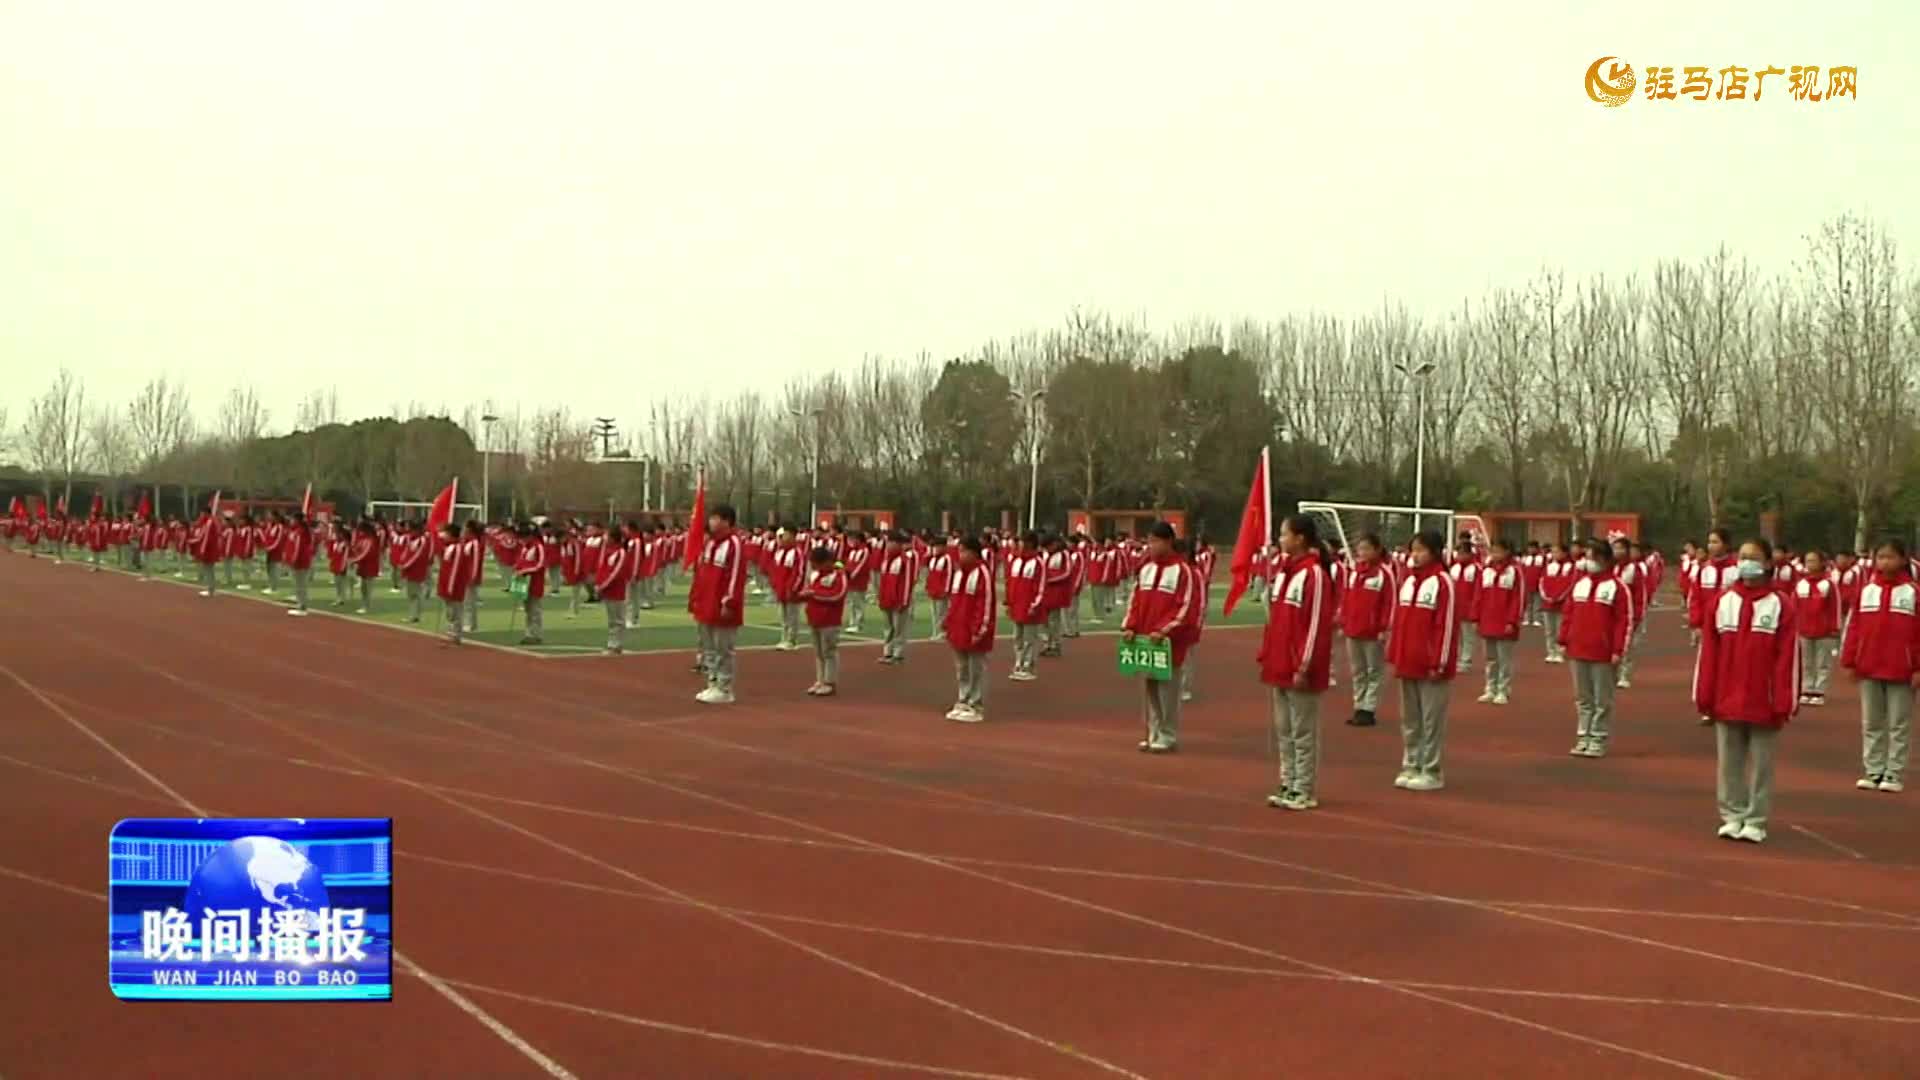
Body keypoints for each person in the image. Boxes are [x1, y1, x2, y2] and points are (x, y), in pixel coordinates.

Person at [1695, 538, 1800, 843]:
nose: (1746, 563)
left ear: (1769, 563)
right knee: (1729, 762)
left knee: (1762, 764)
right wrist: (1705, 694)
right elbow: (1709, 654)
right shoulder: (1721, 602)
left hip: (1764, 700)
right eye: (1742, 557)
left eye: (1753, 557)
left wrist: (1784, 700)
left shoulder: (1781, 605)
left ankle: (1756, 818)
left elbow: (1788, 657)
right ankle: (1732, 815)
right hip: (1726, 697)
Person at [1257, 515, 1336, 810]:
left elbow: (1316, 624)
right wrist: (1267, 653)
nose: (1280, 539)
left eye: (1284, 534)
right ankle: (1287, 781)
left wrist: (1304, 664)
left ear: (1301, 538)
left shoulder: (1314, 575)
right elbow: (1275, 620)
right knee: (1284, 730)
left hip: (1300, 668)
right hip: (1278, 664)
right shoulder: (1283, 573)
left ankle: (1304, 787)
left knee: (1303, 732)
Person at [1839, 539, 1920, 793]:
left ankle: (1893, 772)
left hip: (1902, 669)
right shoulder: (1866, 591)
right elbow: (1854, 627)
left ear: (1903, 560)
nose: (1885, 562)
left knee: (1898, 723)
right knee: (1872, 722)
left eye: (1890, 557)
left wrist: (1917, 667)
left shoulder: (1913, 592)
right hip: (1870, 666)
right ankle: (1873, 770)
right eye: (1880, 557)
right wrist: (1850, 660)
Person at [1386, 531, 1459, 791]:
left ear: (1435, 552)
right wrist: (1395, 652)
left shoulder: (1442, 582)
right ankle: (1411, 764)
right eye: (1412, 550)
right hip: (1408, 662)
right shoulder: (1408, 582)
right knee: (1410, 719)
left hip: (1431, 666)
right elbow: (1399, 621)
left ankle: (1431, 769)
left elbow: (1447, 625)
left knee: (1431, 720)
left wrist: (1439, 661)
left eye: (1421, 550)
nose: (1414, 556)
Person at [1121, 522, 1201, 754]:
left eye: (1155, 541)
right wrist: (1129, 626)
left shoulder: (1182, 571)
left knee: (1168, 689)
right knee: (1150, 686)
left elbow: (1185, 607)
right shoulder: (1146, 569)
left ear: (1168, 542)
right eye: (1149, 541)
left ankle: (1168, 734)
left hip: (1168, 642)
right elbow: (1135, 602)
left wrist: (1164, 630)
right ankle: (1153, 732)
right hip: (1145, 640)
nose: (1151, 546)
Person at [1559, 539, 1633, 758]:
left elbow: (1624, 621)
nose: (1587, 561)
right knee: (1583, 698)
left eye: (1591, 557)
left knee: (1602, 699)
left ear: (1603, 558)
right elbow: (1568, 613)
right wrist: (1563, 640)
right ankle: (1583, 736)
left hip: (1603, 652)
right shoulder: (1580, 584)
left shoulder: (1617, 587)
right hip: (1577, 649)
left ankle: (1598, 738)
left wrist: (1618, 650)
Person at [690, 503, 748, 704]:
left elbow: (735, 576)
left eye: (715, 518)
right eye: (711, 518)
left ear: (726, 521)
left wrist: (729, 601)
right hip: (706, 602)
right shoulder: (710, 543)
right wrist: (696, 597)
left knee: (724, 648)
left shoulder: (734, 543)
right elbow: (702, 572)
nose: (711, 522)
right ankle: (712, 683)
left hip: (723, 605)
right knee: (709, 648)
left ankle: (725, 687)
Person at [1338, 533, 1395, 727]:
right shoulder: (1354, 572)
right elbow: (1346, 599)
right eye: (1360, 549)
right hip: (1353, 630)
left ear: (1377, 549)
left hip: (1372, 633)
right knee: (1358, 671)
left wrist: (1385, 627)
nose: (1362, 552)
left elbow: (1390, 602)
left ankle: (1368, 708)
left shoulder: (1384, 573)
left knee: (1374, 671)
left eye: (1366, 548)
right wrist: (1344, 621)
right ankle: (1358, 706)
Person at [944, 535, 996, 723]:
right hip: (958, 628)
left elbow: (986, 604)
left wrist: (980, 630)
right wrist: (949, 623)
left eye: (963, 551)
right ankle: (963, 699)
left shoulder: (983, 573)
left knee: (976, 669)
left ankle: (976, 704)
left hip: (975, 631)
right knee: (962, 668)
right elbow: (954, 601)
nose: (960, 555)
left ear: (973, 552)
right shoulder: (959, 573)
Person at [1474, 538, 1525, 706]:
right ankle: (1490, 688)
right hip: (1487, 621)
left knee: (1504, 659)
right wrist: (1476, 617)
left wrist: (1512, 621)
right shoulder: (1486, 571)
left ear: (1507, 552)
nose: (1494, 554)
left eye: (1498, 551)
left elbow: (1519, 598)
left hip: (1505, 622)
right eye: (1492, 551)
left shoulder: (1515, 571)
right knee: (1490, 658)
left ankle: (1503, 689)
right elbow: (1478, 595)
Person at [1792, 549, 1843, 707]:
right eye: (1807, 561)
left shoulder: (1828, 584)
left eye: (1813, 560)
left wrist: (1835, 626)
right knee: (1806, 662)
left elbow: (1835, 606)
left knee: (1822, 662)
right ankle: (1807, 689)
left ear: (1822, 563)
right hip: (1804, 629)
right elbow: (1794, 607)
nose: (1810, 564)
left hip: (1824, 631)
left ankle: (1819, 690)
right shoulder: (1800, 585)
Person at [800, 545, 847, 696]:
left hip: (830, 620)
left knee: (829, 652)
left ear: (826, 562)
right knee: (819, 652)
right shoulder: (815, 575)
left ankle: (830, 682)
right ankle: (820, 680)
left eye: (815, 563)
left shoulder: (838, 576)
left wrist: (813, 594)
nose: (813, 566)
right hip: (814, 618)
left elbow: (836, 595)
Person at [1004, 532, 1046, 682]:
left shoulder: (1038, 562)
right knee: (1017, 638)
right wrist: (1008, 602)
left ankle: (1028, 666)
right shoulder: (1016, 561)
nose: (1020, 544)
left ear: (1030, 544)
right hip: (1017, 607)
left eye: (1023, 542)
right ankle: (1018, 663)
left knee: (1030, 639)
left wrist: (1034, 605)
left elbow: (1041, 587)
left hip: (1030, 608)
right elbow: (1011, 584)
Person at [593, 523, 635, 655]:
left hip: (617, 590)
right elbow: (602, 569)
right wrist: (598, 584)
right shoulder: (607, 551)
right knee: (612, 619)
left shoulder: (620, 552)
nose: (605, 537)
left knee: (617, 619)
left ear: (613, 537)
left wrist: (603, 585)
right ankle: (612, 643)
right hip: (607, 590)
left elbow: (616, 572)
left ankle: (615, 645)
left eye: (607, 535)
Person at [876, 530, 917, 665]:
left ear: (898, 544)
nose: (888, 545)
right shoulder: (886, 560)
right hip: (886, 600)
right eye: (887, 542)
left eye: (891, 542)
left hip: (899, 601)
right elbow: (882, 582)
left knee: (899, 628)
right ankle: (887, 653)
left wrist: (904, 601)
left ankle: (898, 655)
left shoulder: (905, 560)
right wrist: (880, 598)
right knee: (888, 628)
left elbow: (907, 582)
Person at [769, 527, 807, 651]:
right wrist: (774, 585)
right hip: (780, 590)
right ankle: (784, 638)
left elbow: (799, 573)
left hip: (792, 591)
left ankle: (792, 640)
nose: (783, 538)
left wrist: (793, 589)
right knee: (783, 616)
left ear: (793, 536)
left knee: (792, 616)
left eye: (786, 535)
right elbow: (775, 570)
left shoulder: (797, 552)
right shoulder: (779, 552)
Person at [511, 522, 549, 644]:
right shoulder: (525, 547)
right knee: (528, 609)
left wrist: (525, 570)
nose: (522, 538)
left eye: (524, 536)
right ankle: (529, 633)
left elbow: (540, 564)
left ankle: (536, 634)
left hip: (535, 582)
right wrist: (517, 568)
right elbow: (521, 561)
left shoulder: (539, 546)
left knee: (535, 609)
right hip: (523, 582)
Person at [1539, 541, 1577, 664]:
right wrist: (1545, 596)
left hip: (1562, 603)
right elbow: (1542, 581)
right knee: (1549, 630)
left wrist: (1560, 597)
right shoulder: (1549, 566)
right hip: (1547, 602)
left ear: (1564, 553)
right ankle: (1550, 652)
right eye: (1552, 552)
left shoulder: (1571, 566)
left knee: (1561, 628)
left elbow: (1571, 584)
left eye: (1557, 551)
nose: (1554, 554)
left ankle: (1560, 651)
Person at [434, 522, 470, 645]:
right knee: (449, 610)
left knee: (456, 609)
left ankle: (456, 634)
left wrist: (450, 586)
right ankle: (450, 630)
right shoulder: (448, 547)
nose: (444, 535)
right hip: (446, 583)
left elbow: (455, 568)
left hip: (455, 585)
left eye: (446, 533)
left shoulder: (458, 548)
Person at [1040, 533, 1072, 658]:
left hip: (1057, 592)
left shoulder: (1064, 554)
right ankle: (1047, 643)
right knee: (1044, 620)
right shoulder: (1045, 554)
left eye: (1049, 546)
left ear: (1055, 543)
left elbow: (1068, 572)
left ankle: (1056, 645)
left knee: (1054, 620)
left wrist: (1051, 579)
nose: (1048, 549)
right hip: (1046, 591)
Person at [281, 512, 316, 615]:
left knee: (301, 585)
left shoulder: (301, 532)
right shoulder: (295, 531)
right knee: (297, 584)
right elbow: (290, 545)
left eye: (292, 519)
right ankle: (300, 603)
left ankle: (303, 606)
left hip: (300, 561)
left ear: (297, 520)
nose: (291, 521)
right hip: (295, 560)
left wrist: (293, 559)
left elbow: (298, 547)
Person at [923, 535, 955, 640]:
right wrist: (928, 587)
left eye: (938, 546)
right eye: (934, 547)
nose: (935, 549)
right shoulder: (933, 559)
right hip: (933, 590)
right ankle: (935, 631)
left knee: (942, 612)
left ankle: (943, 632)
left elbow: (950, 574)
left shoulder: (947, 559)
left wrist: (946, 590)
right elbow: (931, 575)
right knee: (934, 613)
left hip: (941, 590)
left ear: (944, 547)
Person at [842, 529, 874, 631]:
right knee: (852, 603)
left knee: (859, 603)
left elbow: (861, 565)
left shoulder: (864, 551)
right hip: (851, 581)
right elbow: (848, 564)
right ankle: (852, 622)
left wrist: (851, 575)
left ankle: (858, 623)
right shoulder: (852, 551)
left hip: (860, 581)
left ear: (859, 540)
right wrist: (845, 573)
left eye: (853, 539)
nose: (851, 541)